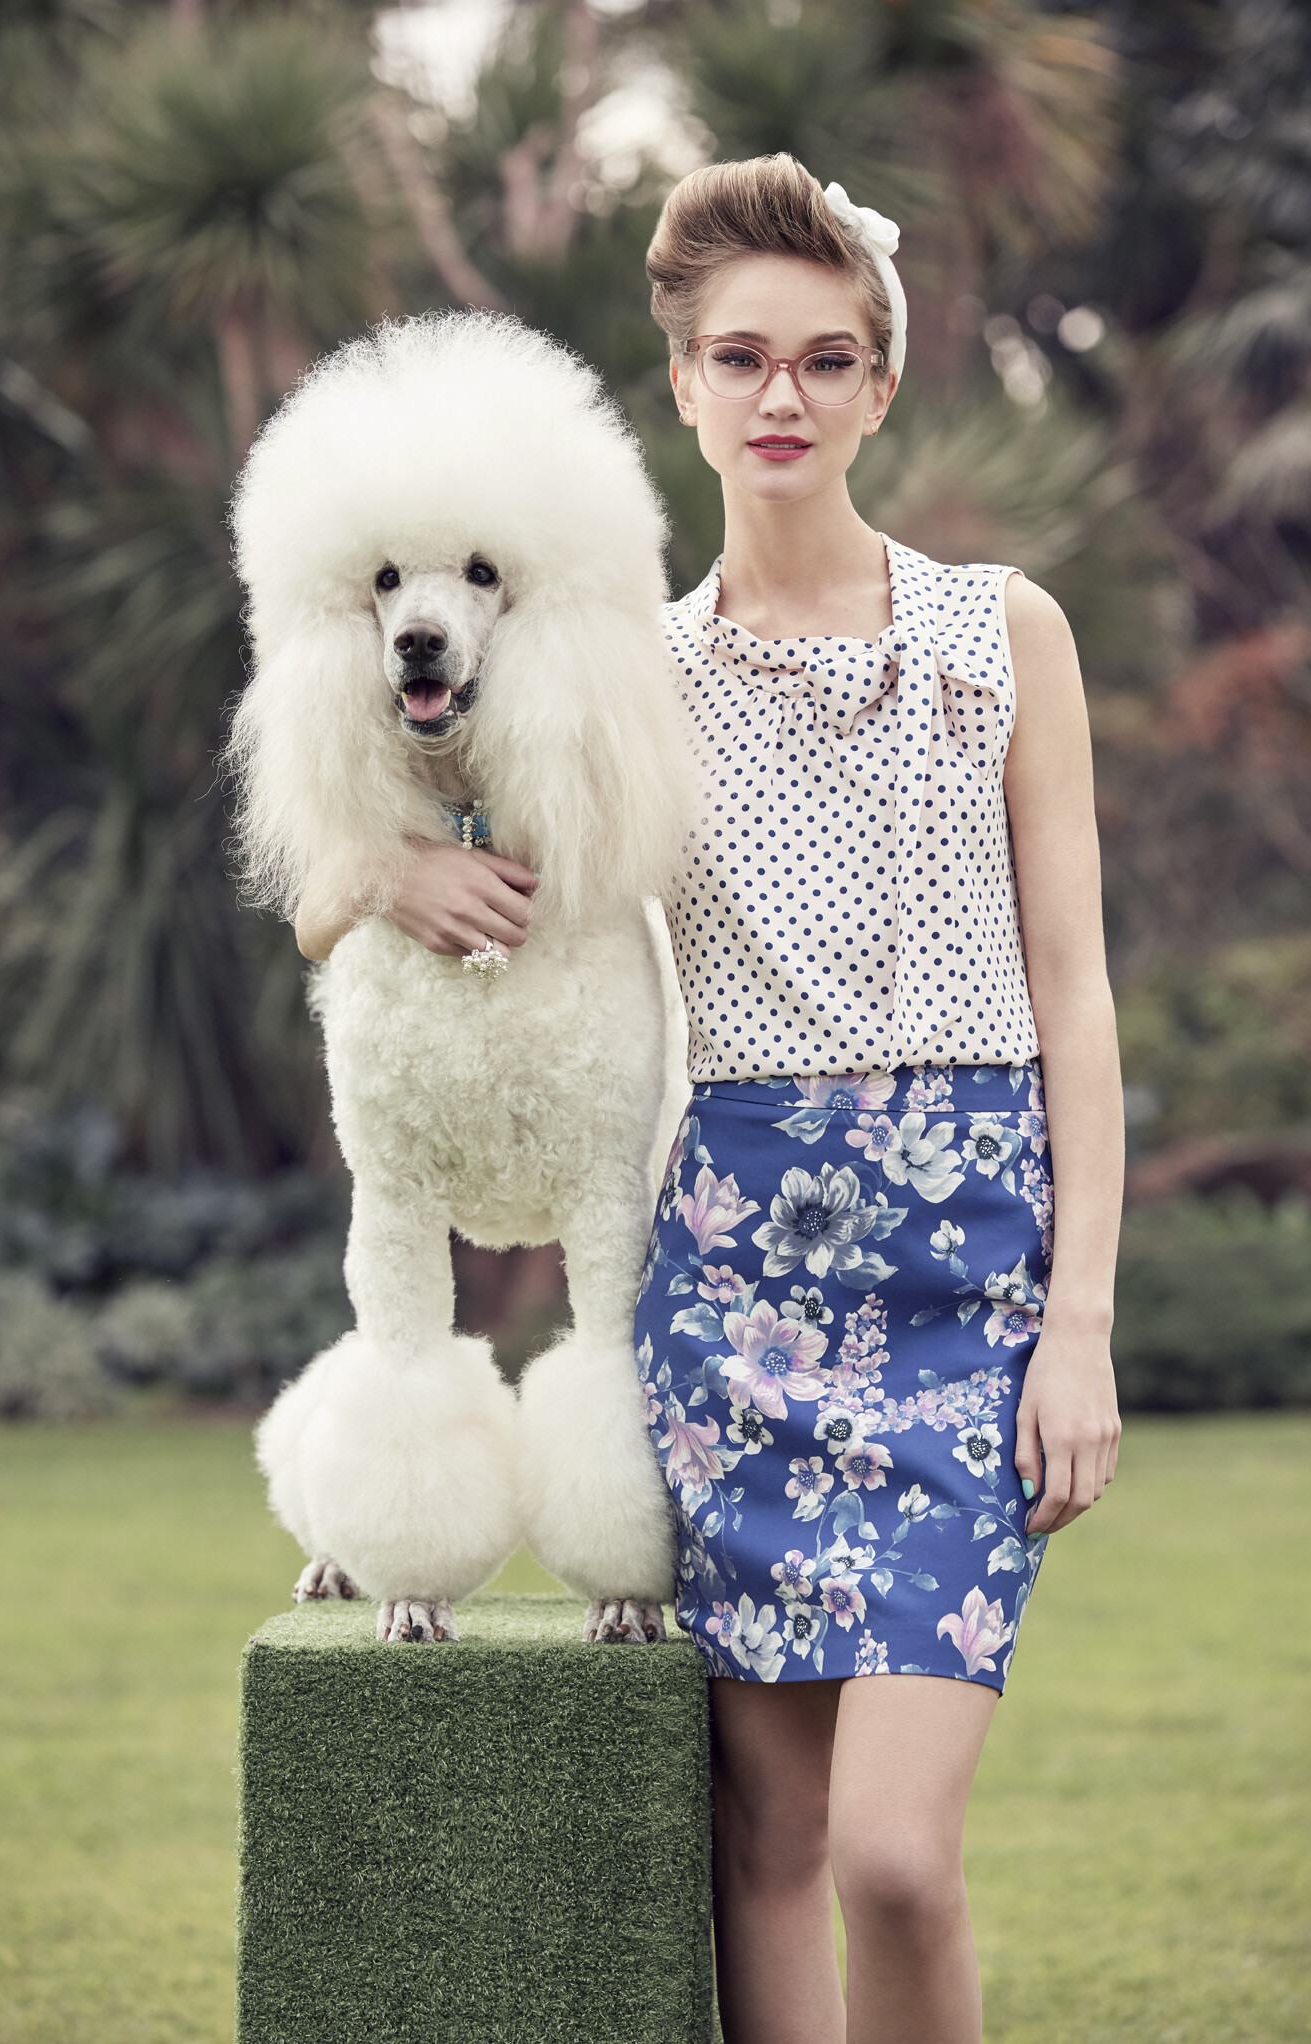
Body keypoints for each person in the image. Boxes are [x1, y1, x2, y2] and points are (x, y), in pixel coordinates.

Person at [297, 152, 1124, 2044]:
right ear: (680, 383)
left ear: (881, 383)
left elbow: (1077, 997)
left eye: (827, 360)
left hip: (970, 1285)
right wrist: (395, 873)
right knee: (768, 1838)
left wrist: (1079, 1322)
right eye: (740, 358)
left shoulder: (1006, 634)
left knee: (894, 1857)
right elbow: (347, 853)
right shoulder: (618, 678)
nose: (781, 397)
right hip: (736, 1288)